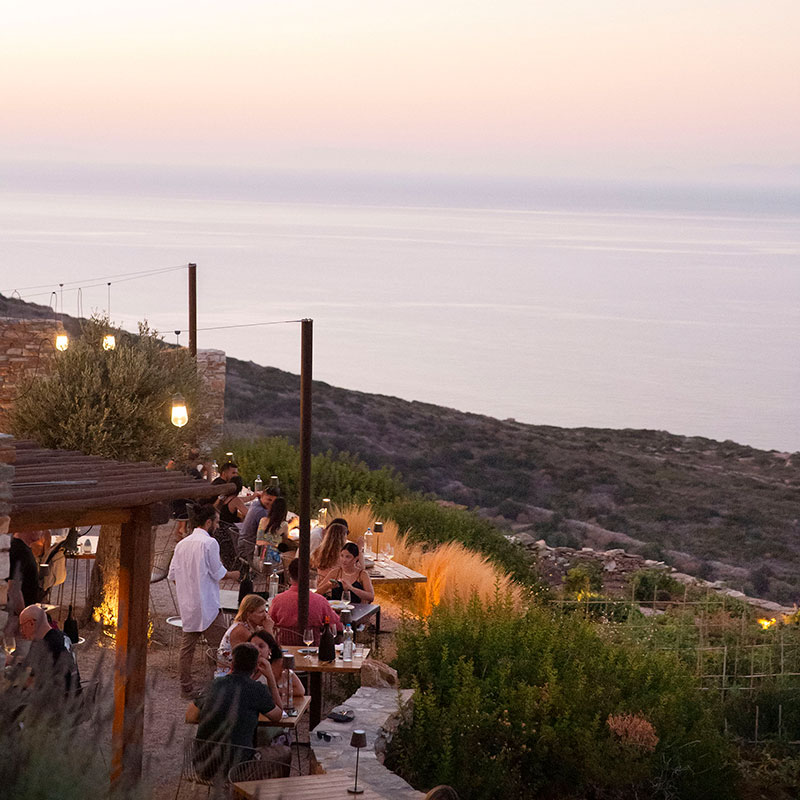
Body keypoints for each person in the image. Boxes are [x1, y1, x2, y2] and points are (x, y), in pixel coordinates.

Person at [169, 503, 241, 698]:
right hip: (207, 604)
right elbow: (218, 573)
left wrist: (189, 587)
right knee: (221, 647)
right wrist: (236, 574)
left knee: (187, 649)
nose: (217, 526)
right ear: (208, 522)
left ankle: (186, 687)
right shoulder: (209, 543)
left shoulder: (181, 544)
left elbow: (173, 575)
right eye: (216, 522)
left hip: (188, 604)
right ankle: (219, 687)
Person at [188, 643, 284, 778]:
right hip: (237, 769)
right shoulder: (257, 690)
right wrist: (270, 678)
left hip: (203, 767)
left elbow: (190, 716)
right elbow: (278, 715)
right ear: (256, 666)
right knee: (284, 752)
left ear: (232, 663)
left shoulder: (214, 684)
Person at [269, 558, 342, 644]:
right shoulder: (320, 601)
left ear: (289, 575)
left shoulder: (278, 600)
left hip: (284, 650)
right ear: (308, 575)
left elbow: (269, 623)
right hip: (313, 649)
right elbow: (338, 626)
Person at [18, 604, 81, 698]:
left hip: (58, 704)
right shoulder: (62, 636)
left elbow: (32, 682)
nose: (22, 631)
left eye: (22, 626)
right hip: (77, 697)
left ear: (31, 623)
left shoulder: (45, 645)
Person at [216, 594, 274, 674]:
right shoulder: (241, 630)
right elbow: (270, 652)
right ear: (248, 614)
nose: (265, 615)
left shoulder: (254, 627)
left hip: (244, 669)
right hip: (231, 674)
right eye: (261, 612)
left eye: (265, 611)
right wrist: (269, 629)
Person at [5, 530, 44, 640]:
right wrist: (25, 618)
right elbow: (13, 589)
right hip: (17, 619)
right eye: (39, 528)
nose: (41, 531)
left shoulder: (24, 549)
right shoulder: (18, 550)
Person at [238, 486, 281, 561]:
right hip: (250, 549)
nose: (271, 504)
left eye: (274, 502)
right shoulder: (261, 512)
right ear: (263, 495)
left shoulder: (255, 503)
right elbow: (269, 534)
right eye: (269, 500)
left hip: (243, 544)